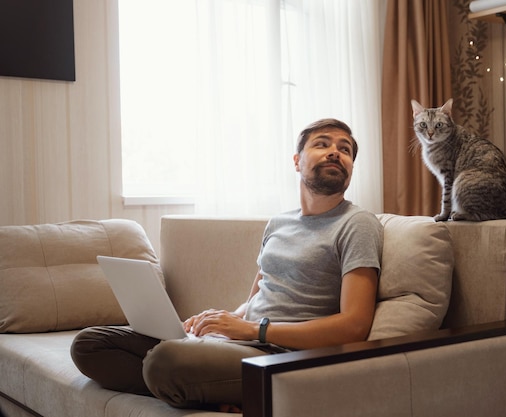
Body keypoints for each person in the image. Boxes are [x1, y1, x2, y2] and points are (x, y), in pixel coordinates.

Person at [70, 118, 383, 411]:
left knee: (164, 361)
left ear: (351, 166)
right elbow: (254, 299)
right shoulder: (279, 223)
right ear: (297, 160)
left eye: (345, 149)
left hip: (282, 357)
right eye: (322, 144)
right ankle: (205, 391)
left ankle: (199, 386)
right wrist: (220, 322)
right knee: (90, 344)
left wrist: (252, 330)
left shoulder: (357, 224)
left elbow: (354, 325)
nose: (335, 152)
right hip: (245, 342)